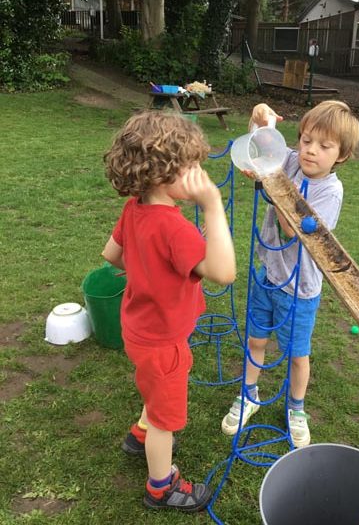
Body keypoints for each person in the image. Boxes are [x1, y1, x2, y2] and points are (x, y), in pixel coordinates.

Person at [102, 111, 236, 512]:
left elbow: (111, 256)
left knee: (153, 389)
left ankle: (139, 432)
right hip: (164, 342)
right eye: (191, 166)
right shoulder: (175, 229)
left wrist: (151, 276)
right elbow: (224, 273)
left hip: (139, 331)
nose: (199, 174)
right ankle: (161, 486)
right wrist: (213, 206)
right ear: (162, 174)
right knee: (167, 419)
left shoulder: (134, 209)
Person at [221, 101, 359, 447]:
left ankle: (296, 408)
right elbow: (258, 148)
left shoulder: (331, 191)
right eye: (306, 140)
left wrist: (272, 183)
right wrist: (259, 119)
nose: (311, 151)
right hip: (267, 275)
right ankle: (249, 394)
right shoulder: (292, 162)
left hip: (300, 289)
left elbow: (291, 230)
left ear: (341, 155)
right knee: (256, 340)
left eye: (324, 146)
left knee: (298, 355)